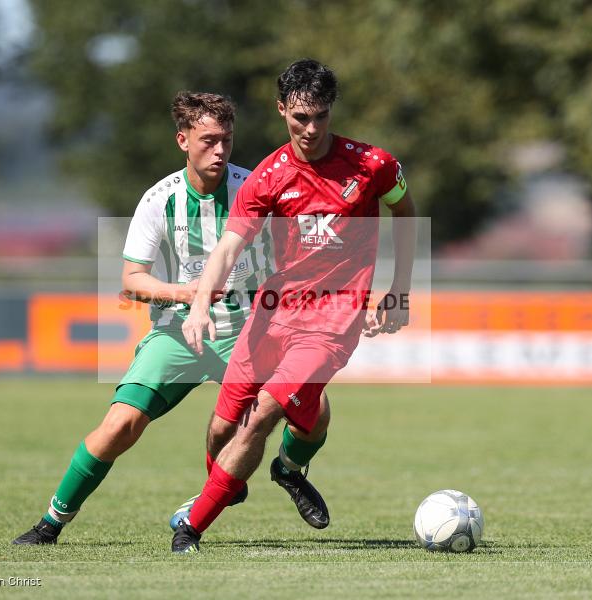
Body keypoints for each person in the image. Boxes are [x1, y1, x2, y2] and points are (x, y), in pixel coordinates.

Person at [12, 91, 330, 545]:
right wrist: (187, 294)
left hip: (250, 332)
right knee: (120, 425)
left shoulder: (258, 186)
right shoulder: (159, 201)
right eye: (208, 140)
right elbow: (132, 279)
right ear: (183, 140)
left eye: (226, 139)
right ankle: (50, 524)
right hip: (177, 333)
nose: (219, 150)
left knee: (315, 415)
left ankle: (288, 470)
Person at [171, 59, 416, 553]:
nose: (310, 128)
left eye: (320, 116)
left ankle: (190, 528)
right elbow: (228, 248)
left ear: (331, 112)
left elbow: (405, 212)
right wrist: (200, 304)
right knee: (223, 428)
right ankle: (279, 471)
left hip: (333, 321)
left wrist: (399, 289)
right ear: (282, 110)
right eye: (299, 117)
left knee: (260, 418)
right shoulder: (268, 178)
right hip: (273, 314)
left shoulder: (372, 165)